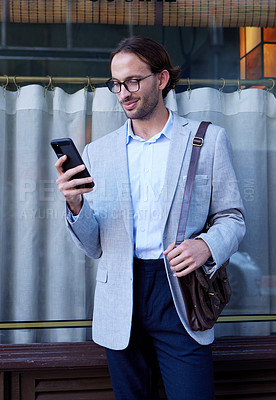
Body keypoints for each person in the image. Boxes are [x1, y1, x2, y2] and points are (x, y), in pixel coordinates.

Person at [55, 36, 245, 400]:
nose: (123, 92)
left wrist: (205, 245)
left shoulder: (207, 140)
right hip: (119, 295)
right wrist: (76, 206)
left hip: (180, 291)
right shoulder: (100, 151)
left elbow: (233, 217)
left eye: (133, 81)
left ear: (161, 79)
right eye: (115, 84)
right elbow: (95, 246)